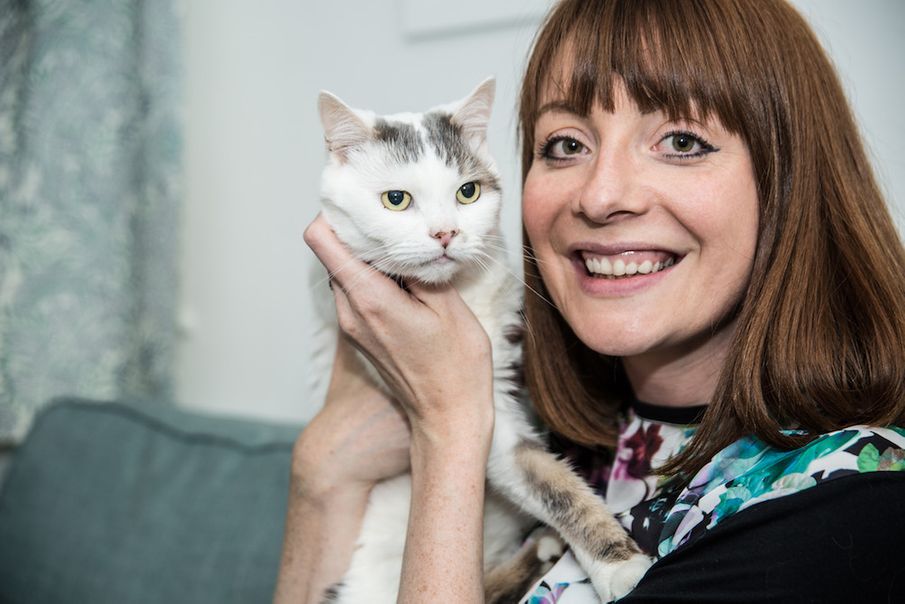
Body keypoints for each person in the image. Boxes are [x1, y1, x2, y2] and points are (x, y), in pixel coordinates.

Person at [275, 0, 905, 601]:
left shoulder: (846, 505)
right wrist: (321, 467)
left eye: (681, 142)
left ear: (791, 180)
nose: (601, 197)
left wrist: (448, 421)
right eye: (566, 145)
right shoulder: (561, 433)